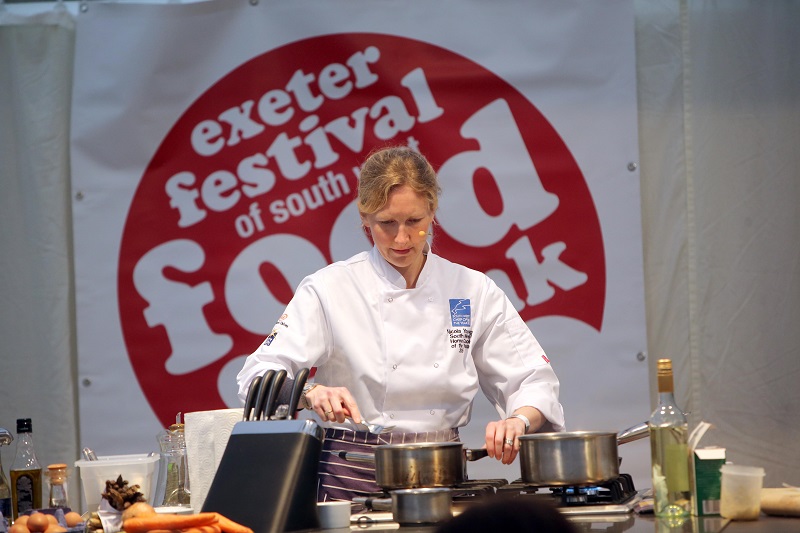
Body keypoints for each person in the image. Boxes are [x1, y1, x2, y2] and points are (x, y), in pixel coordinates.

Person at [236, 146, 565, 501]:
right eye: (386, 224)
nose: (402, 239)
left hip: (443, 474)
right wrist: (309, 392)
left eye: (414, 222)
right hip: (350, 478)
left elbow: (532, 377)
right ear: (365, 218)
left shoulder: (471, 289)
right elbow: (256, 376)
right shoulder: (329, 289)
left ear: (433, 212)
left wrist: (518, 421)